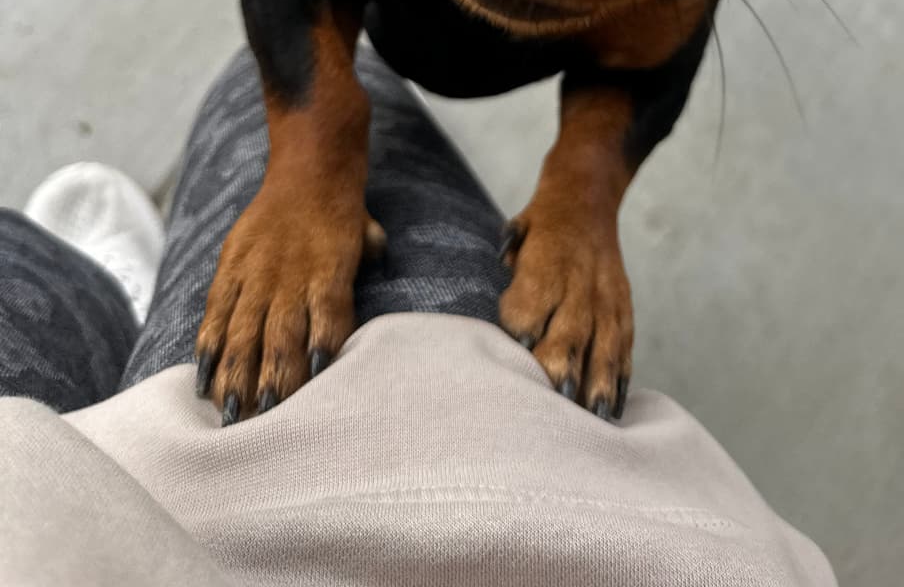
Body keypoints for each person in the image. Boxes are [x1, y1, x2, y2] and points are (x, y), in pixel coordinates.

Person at [0, 47, 836, 586]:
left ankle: (116, 314)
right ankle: (125, 326)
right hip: (511, 482)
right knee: (328, 83)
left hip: (51, 514)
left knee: (36, 270)